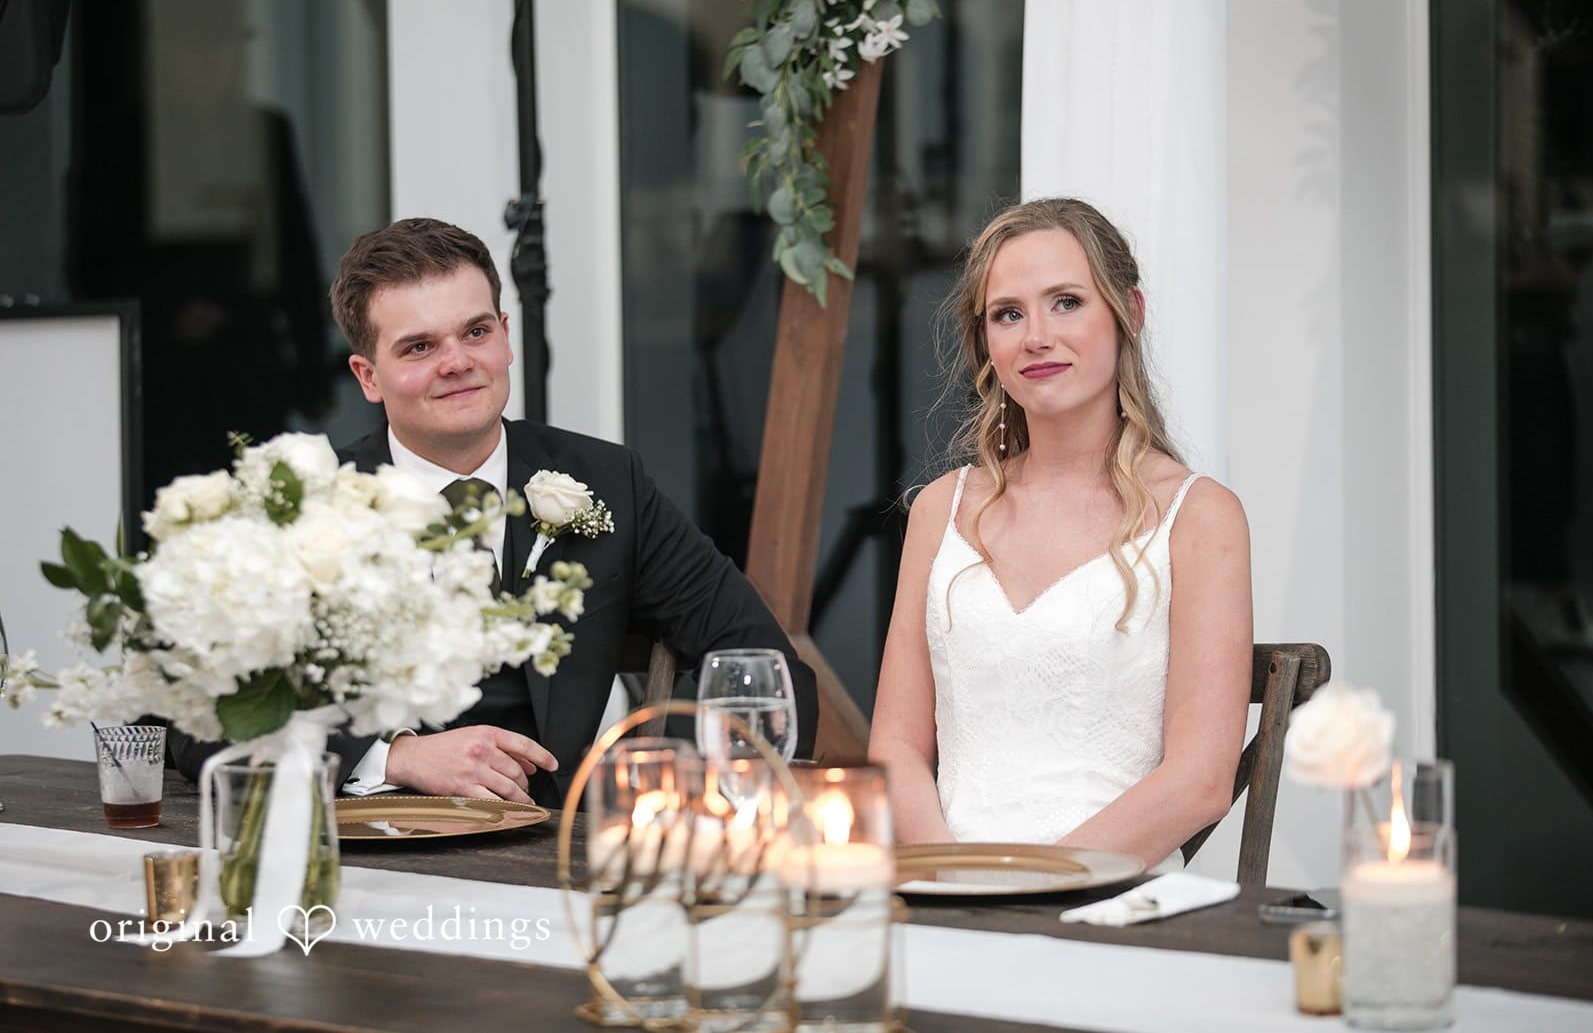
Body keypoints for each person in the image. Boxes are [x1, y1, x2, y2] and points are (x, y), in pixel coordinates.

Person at [169, 218, 817, 807]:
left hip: (572, 848)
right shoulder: (306, 505)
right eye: (419, 347)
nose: (457, 363)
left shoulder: (606, 481)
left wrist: (643, 767)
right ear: (368, 376)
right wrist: (395, 755)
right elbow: (196, 716)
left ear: (505, 336)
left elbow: (768, 668)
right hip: (375, 855)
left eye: (475, 331)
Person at [867, 199, 1252, 870]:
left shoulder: (1201, 516)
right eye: (1008, 314)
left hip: (1110, 900)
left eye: (1066, 302)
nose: (1036, 336)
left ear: (1128, 312)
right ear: (985, 340)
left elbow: (1200, 781)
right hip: (946, 893)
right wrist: (954, 877)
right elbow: (894, 746)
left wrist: (1029, 885)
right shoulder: (940, 509)